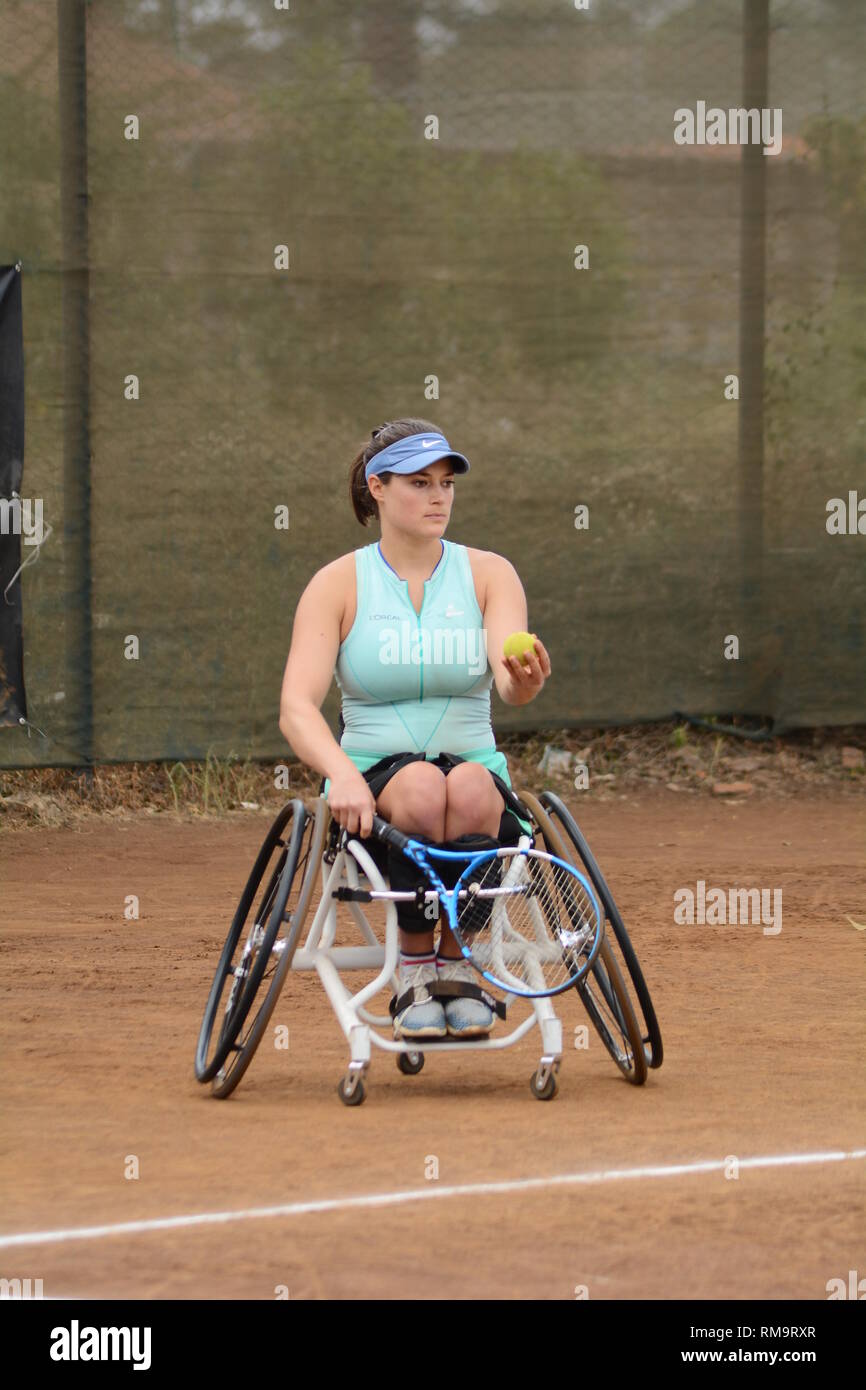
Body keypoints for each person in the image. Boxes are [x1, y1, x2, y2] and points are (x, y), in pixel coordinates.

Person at [279, 418, 551, 1041]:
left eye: (447, 483)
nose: (438, 497)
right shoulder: (336, 584)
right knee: (425, 787)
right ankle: (414, 965)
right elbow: (297, 705)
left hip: (473, 765)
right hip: (374, 783)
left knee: (475, 787)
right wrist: (341, 775)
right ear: (377, 488)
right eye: (419, 482)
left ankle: (456, 961)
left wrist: (524, 685)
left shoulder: (489, 574)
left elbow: (509, 685)